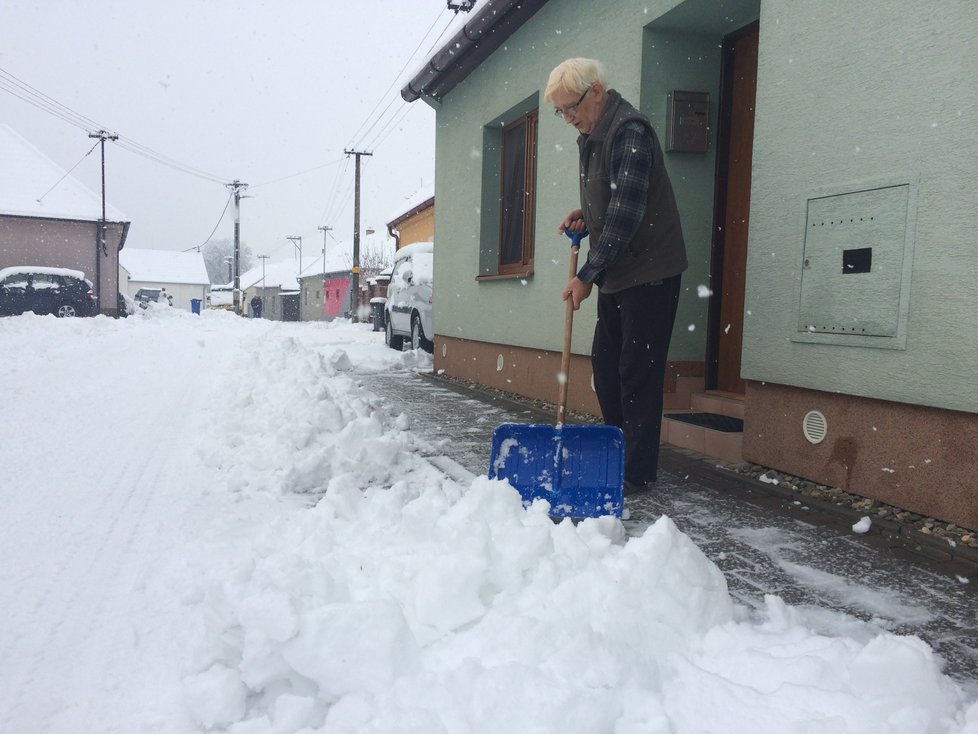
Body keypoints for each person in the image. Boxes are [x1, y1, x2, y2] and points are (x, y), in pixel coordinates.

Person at [545, 58, 688, 496]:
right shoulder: (592, 134)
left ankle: (636, 473)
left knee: (637, 372)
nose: (569, 119)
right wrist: (586, 216)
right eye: (561, 112)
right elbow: (610, 200)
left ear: (597, 93)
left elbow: (627, 214)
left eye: (572, 108)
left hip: (650, 272)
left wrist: (587, 274)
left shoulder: (629, 132)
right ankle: (618, 453)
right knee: (607, 368)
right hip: (619, 272)